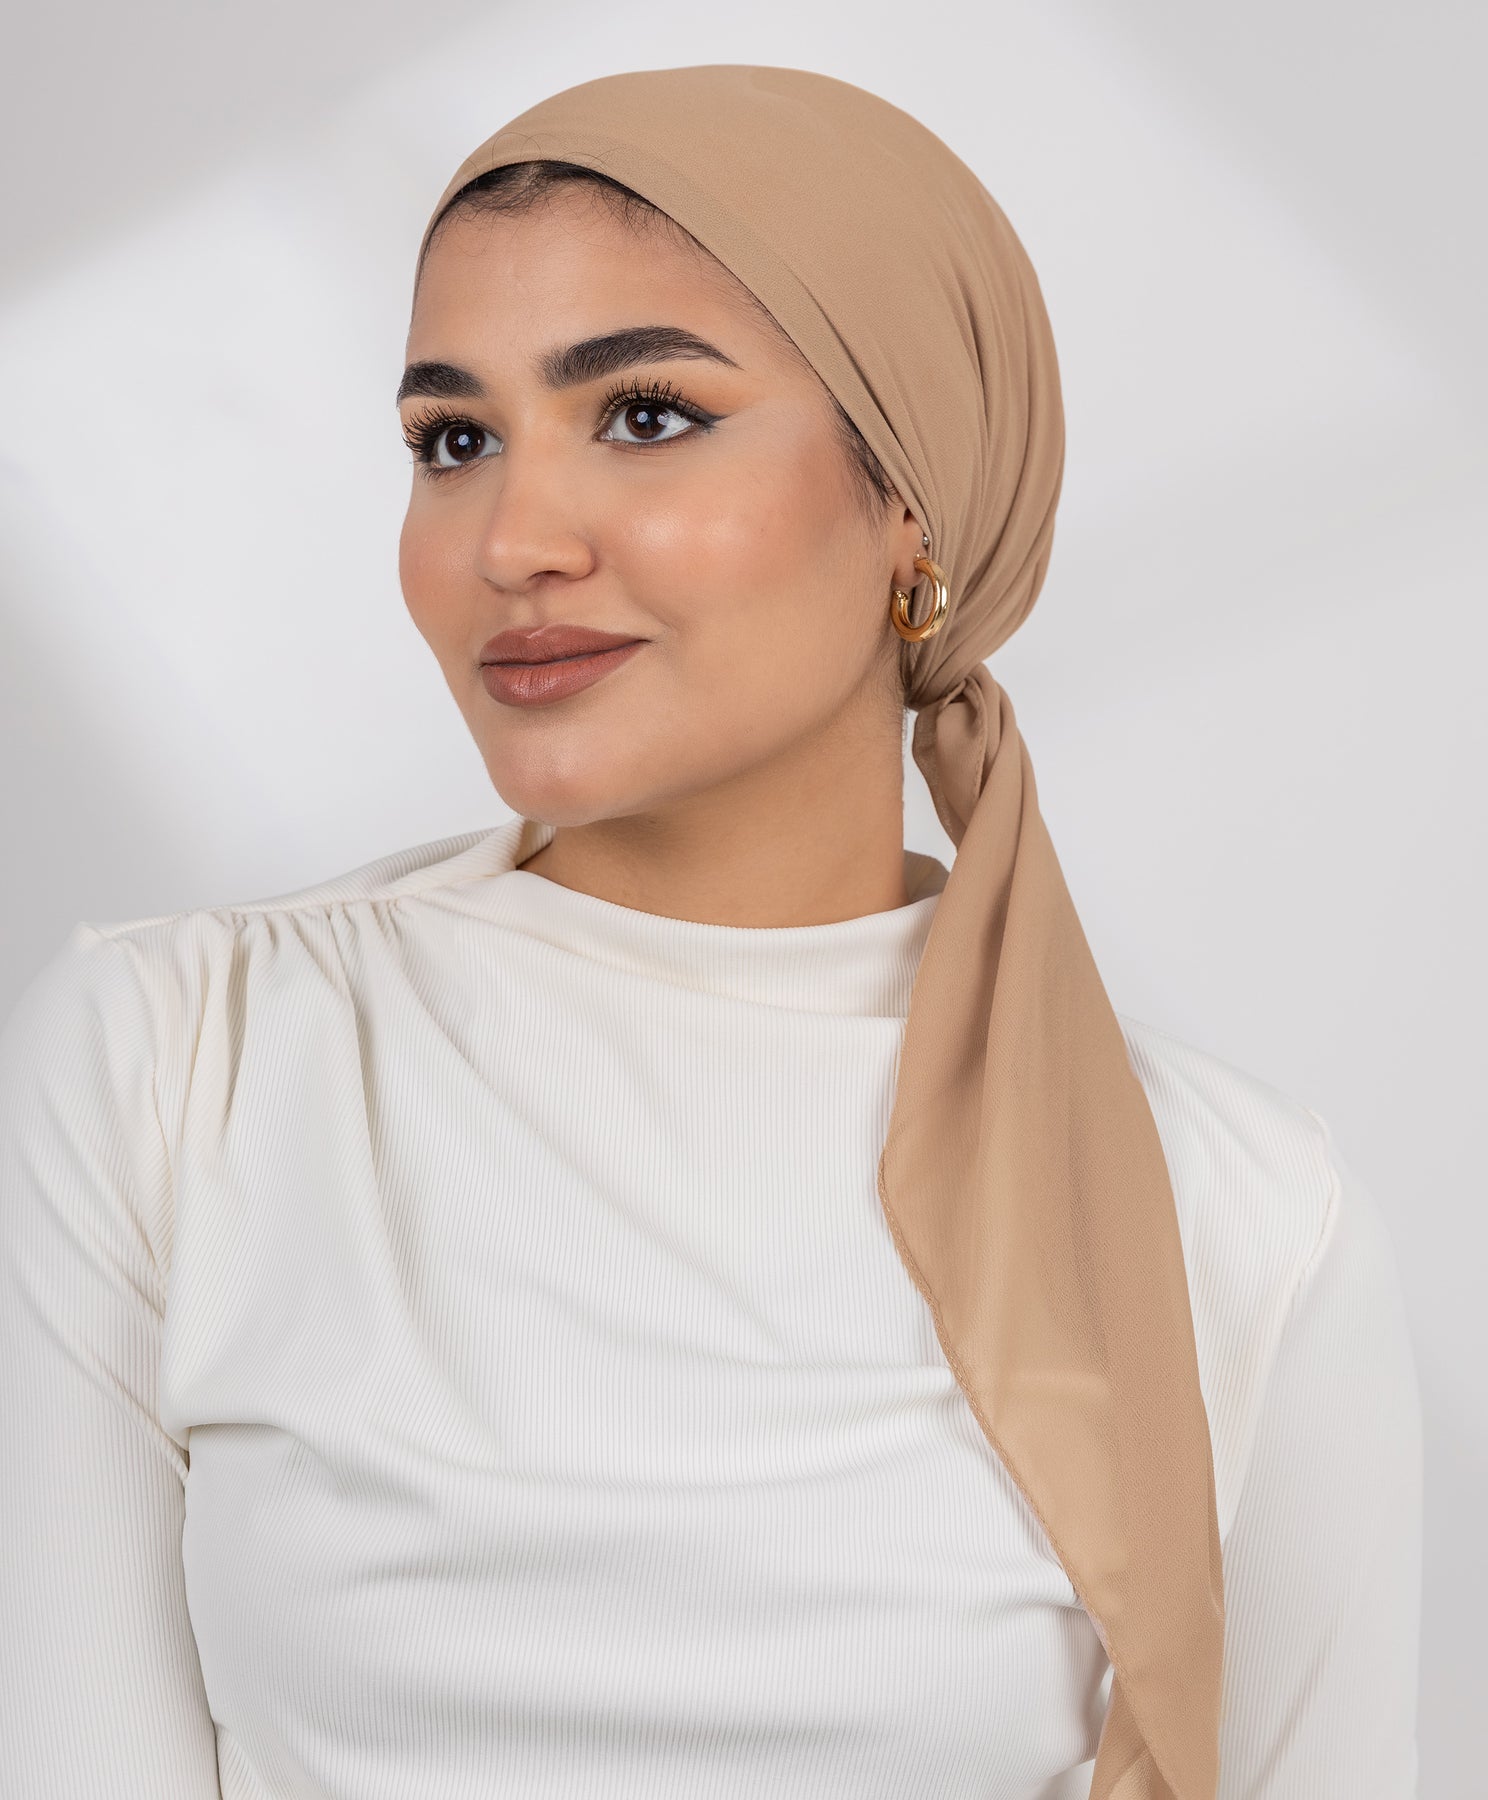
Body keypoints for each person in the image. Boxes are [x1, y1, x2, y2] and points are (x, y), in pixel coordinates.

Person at [0, 64, 1421, 1800]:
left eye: (648, 415)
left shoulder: (1242, 1220)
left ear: (913, 503)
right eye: (454, 440)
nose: (514, 541)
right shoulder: (173, 1067)